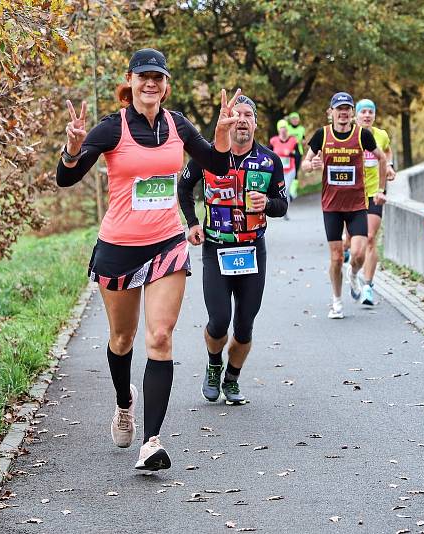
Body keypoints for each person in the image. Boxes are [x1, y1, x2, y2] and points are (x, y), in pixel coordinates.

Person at [56, 48, 238, 471]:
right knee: (123, 339)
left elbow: (218, 166)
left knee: (160, 337)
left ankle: (151, 442)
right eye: (143, 76)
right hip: (119, 247)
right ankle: (124, 403)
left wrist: (223, 133)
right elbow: (66, 178)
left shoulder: (178, 125)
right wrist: (72, 149)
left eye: (157, 76)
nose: (150, 83)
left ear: (166, 83)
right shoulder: (111, 127)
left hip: (166, 242)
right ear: (131, 82)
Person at [178, 96, 288, 407]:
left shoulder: (269, 162)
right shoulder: (209, 157)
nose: (242, 120)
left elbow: (282, 204)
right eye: (235, 114)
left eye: (248, 115)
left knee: (244, 325)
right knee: (218, 321)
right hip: (216, 248)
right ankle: (214, 365)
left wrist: (266, 203)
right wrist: (192, 223)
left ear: (255, 123)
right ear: (227, 119)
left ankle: (232, 378)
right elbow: (184, 188)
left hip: (252, 250)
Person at [301, 92, 388, 319]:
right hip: (331, 206)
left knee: (358, 253)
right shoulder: (322, 134)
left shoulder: (362, 135)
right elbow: (305, 164)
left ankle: (354, 274)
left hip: (357, 204)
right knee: (336, 257)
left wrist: (380, 190)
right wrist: (312, 164)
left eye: (347, 109)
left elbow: (382, 158)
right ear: (331, 112)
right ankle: (337, 302)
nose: (343, 113)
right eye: (339, 109)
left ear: (351, 113)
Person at [350, 98, 395, 305]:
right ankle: (351, 261)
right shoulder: (349, 137)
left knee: (370, 238)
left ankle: (368, 286)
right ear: (355, 116)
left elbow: (386, 151)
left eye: (370, 112)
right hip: (352, 193)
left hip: (375, 191)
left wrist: (390, 166)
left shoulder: (381, 135)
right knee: (350, 241)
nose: (367, 115)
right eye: (363, 112)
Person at [269, 119, 299, 215]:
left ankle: (285, 210)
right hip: (279, 171)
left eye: (285, 128)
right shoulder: (273, 141)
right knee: (281, 190)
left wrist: (290, 154)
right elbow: (268, 154)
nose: (283, 130)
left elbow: (298, 155)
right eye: (281, 128)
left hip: (290, 170)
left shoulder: (293, 140)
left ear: (287, 129)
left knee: (285, 189)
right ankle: (285, 208)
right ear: (278, 130)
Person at [285, 112, 306, 198]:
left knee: (295, 170)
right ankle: (286, 189)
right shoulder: (287, 128)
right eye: (293, 119)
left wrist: (303, 142)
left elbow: (304, 140)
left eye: (296, 118)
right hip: (288, 153)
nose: (294, 120)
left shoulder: (301, 129)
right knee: (286, 170)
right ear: (290, 120)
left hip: (298, 152)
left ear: (298, 120)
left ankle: (293, 191)